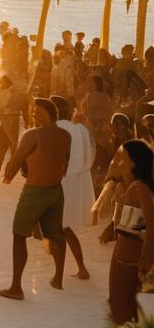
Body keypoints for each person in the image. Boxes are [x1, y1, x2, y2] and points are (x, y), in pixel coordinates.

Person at [0, 97, 70, 300]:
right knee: (55, 234)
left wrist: (8, 176)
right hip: (56, 191)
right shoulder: (66, 135)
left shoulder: (33, 135)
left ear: (46, 113)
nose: (33, 115)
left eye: (35, 112)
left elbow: (17, 159)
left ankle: (16, 287)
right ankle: (58, 278)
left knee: (19, 234)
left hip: (35, 192)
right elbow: (65, 164)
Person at [101, 139, 154, 328]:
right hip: (127, 250)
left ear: (132, 162)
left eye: (120, 156)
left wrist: (146, 257)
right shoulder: (131, 185)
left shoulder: (139, 188)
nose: (115, 159)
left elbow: (151, 224)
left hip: (131, 254)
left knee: (120, 299)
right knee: (124, 299)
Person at [51, 95, 93, 281]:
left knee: (60, 228)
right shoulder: (79, 129)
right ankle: (79, 268)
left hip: (58, 184)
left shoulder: (54, 129)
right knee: (63, 227)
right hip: (72, 183)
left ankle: (66, 271)